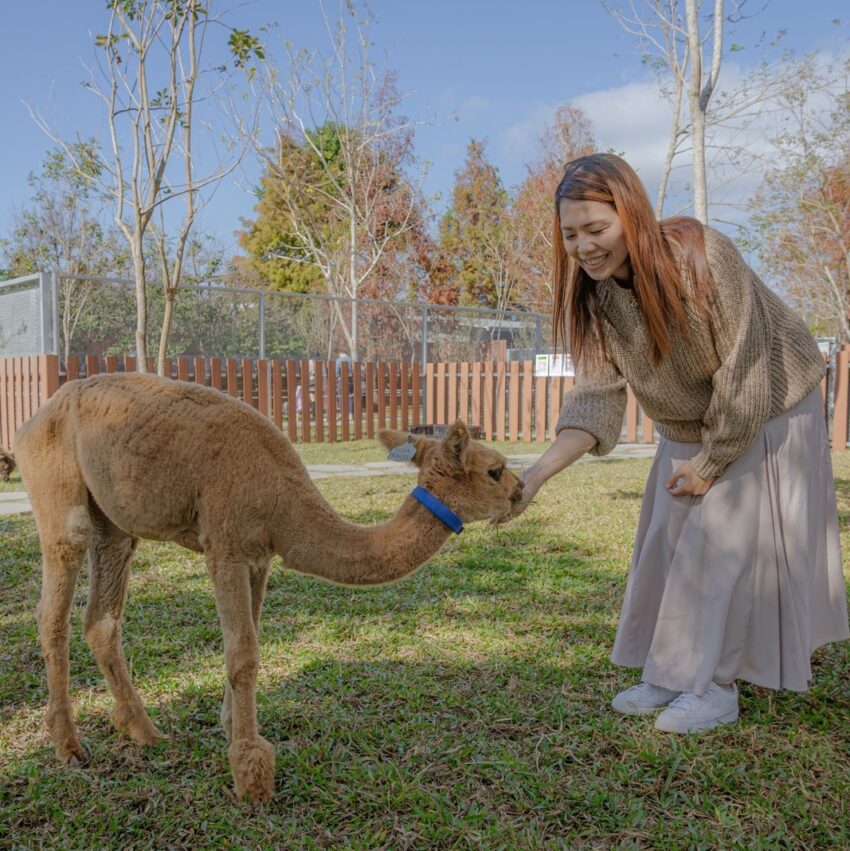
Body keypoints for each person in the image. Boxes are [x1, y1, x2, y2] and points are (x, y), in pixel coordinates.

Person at [510, 153, 849, 733]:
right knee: (668, 543)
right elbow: (595, 400)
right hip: (688, 425)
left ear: (632, 216)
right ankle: (668, 673)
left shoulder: (700, 255)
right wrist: (534, 477)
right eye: (571, 234)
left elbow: (745, 370)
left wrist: (711, 463)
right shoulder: (595, 302)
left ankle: (715, 688)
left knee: (722, 549)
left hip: (768, 404)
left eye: (598, 228)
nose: (585, 246)